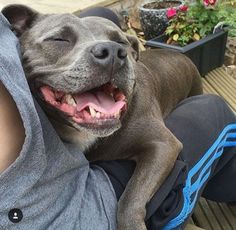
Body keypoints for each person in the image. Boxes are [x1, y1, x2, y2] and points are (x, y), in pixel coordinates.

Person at [0, 9, 235, 230]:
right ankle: (170, 207)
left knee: (103, 17)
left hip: (168, 94)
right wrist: (131, 215)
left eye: (120, 47)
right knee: (212, 109)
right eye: (60, 41)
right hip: (56, 207)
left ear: (133, 53)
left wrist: (130, 209)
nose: (112, 52)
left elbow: (163, 143)